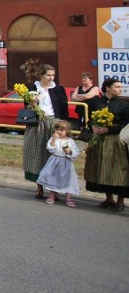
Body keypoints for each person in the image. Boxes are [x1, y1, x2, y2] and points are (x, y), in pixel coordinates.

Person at [22, 64, 69, 199]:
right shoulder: (33, 88)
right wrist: (32, 103)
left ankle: (53, 189)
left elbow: (63, 107)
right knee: (37, 154)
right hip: (37, 124)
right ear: (41, 75)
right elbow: (26, 107)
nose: (51, 78)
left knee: (54, 155)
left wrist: (64, 125)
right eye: (48, 75)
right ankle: (39, 187)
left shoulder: (58, 89)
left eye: (53, 75)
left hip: (53, 123)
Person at [83, 79, 128, 212]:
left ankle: (120, 201)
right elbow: (89, 119)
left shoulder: (124, 105)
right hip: (99, 140)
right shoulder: (96, 102)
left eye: (121, 87)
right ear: (108, 88)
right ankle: (109, 198)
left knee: (119, 170)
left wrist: (109, 129)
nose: (121, 89)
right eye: (117, 87)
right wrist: (93, 126)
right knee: (101, 169)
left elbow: (126, 125)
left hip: (116, 141)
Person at [36, 120, 80, 207]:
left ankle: (68, 197)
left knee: (69, 179)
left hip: (66, 162)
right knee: (52, 177)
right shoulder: (54, 139)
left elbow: (75, 151)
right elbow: (50, 148)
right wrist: (54, 139)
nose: (59, 132)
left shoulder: (70, 141)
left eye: (61, 130)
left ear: (66, 131)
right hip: (55, 161)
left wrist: (69, 151)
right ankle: (51, 195)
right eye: (57, 129)